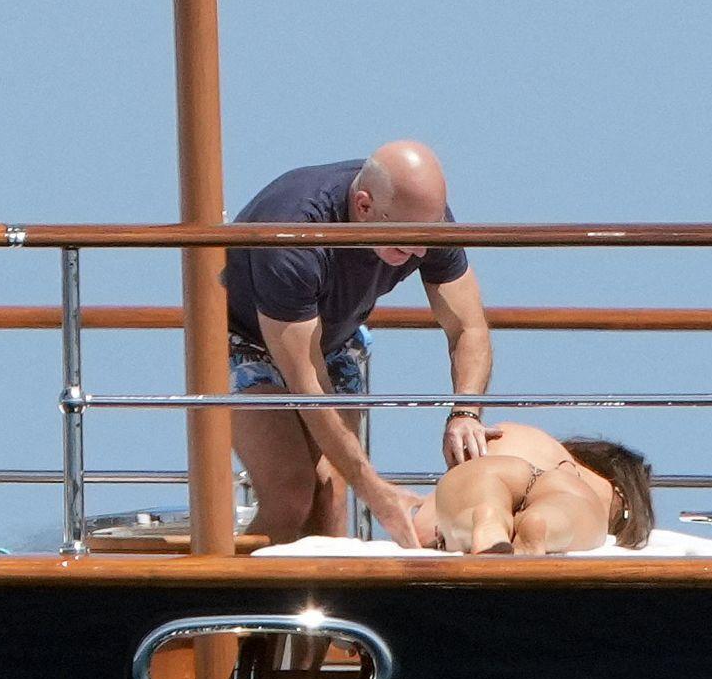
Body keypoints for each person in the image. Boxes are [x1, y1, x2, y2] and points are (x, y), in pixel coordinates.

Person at [226, 141, 493, 546]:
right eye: (406, 242)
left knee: (331, 493)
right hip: (244, 339)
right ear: (364, 206)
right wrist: (377, 494)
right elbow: (308, 384)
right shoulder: (294, 235)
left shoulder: (422, 220)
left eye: (428, 239)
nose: (421, 251)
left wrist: (465, 412)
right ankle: (234, 584)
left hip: (333, 340)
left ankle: (323, 587)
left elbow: (468, 327)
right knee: (290, 494)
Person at [411, 422, 655, 554]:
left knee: (474, 508)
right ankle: (542, 529)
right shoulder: (609, 491)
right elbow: (613, 520)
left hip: (494, 464)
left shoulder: (522, 436)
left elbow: (422, 528)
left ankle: (487, 518)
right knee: (562, 519)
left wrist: (443, 528)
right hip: (563, 485)